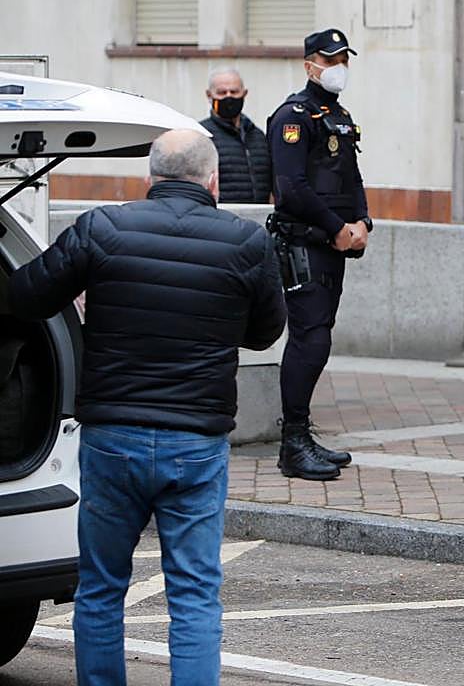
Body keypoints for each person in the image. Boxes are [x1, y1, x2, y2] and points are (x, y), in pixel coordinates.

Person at [8, 129, 286, 686]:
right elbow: (266, 332)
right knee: (194, 594)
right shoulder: (247, 242)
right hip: (196, 445)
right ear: (214, 180)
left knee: (102, 587)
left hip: (114, 439)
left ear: (149, 178)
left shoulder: (103, 228)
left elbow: (24, 297)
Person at [268, 28, 371, 481]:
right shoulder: (293, 116)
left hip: (334, 245)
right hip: (305, 243)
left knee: (319, 336)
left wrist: (365, 222)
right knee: (311, 339)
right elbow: (291, 188)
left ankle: (302, 436)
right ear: (309, 64)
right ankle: (293, 443)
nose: (337, 68)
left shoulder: (339, 115)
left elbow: (353, 177)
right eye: (329, 61)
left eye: (343, 59)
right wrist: (337, 227)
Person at [199, 68, 272, 203]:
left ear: (244, 94)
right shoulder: (201, 136)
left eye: (234, 92)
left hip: (258, 217)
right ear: (209, 95)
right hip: (220, 219)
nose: (229, 97)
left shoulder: (257, 135)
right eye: (222, 92)